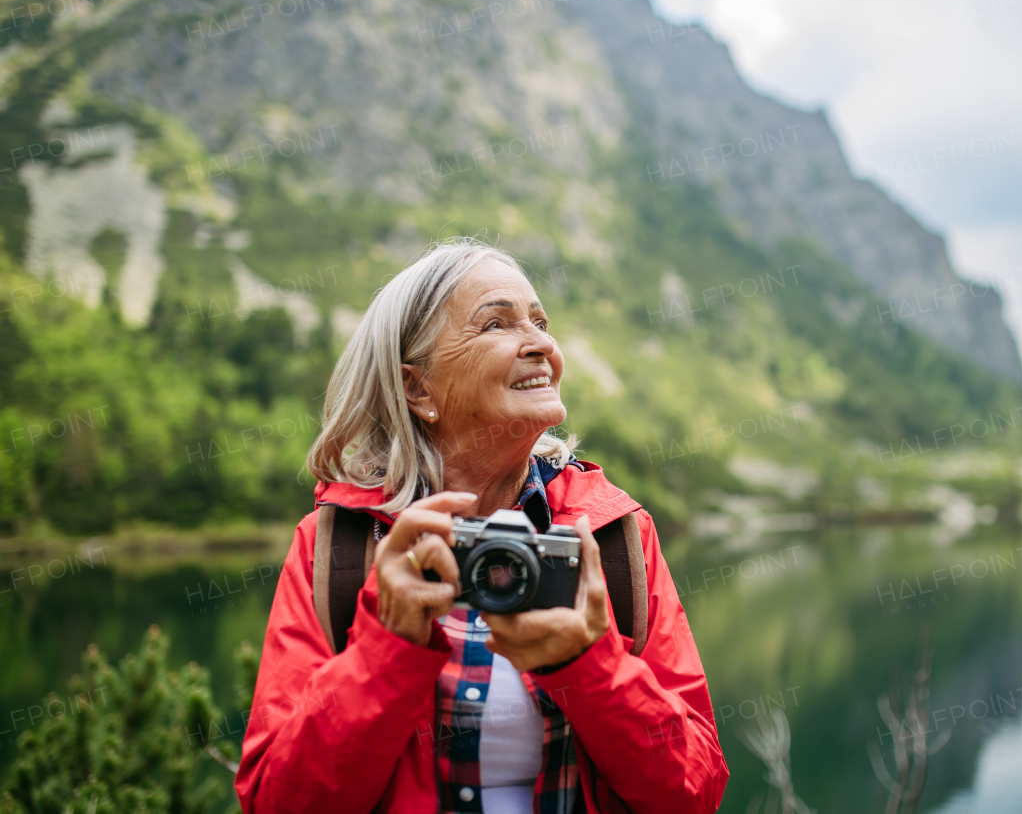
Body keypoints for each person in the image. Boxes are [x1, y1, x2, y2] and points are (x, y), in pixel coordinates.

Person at [235, 239, 729, 813]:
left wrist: (589, 664)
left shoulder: (613, 535)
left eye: (541, 322)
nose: (543, 344)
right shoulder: (338, 549)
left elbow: (693, 793)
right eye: (497, 323)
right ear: (417, 388)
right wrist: (388, 650)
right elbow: (279, 803)